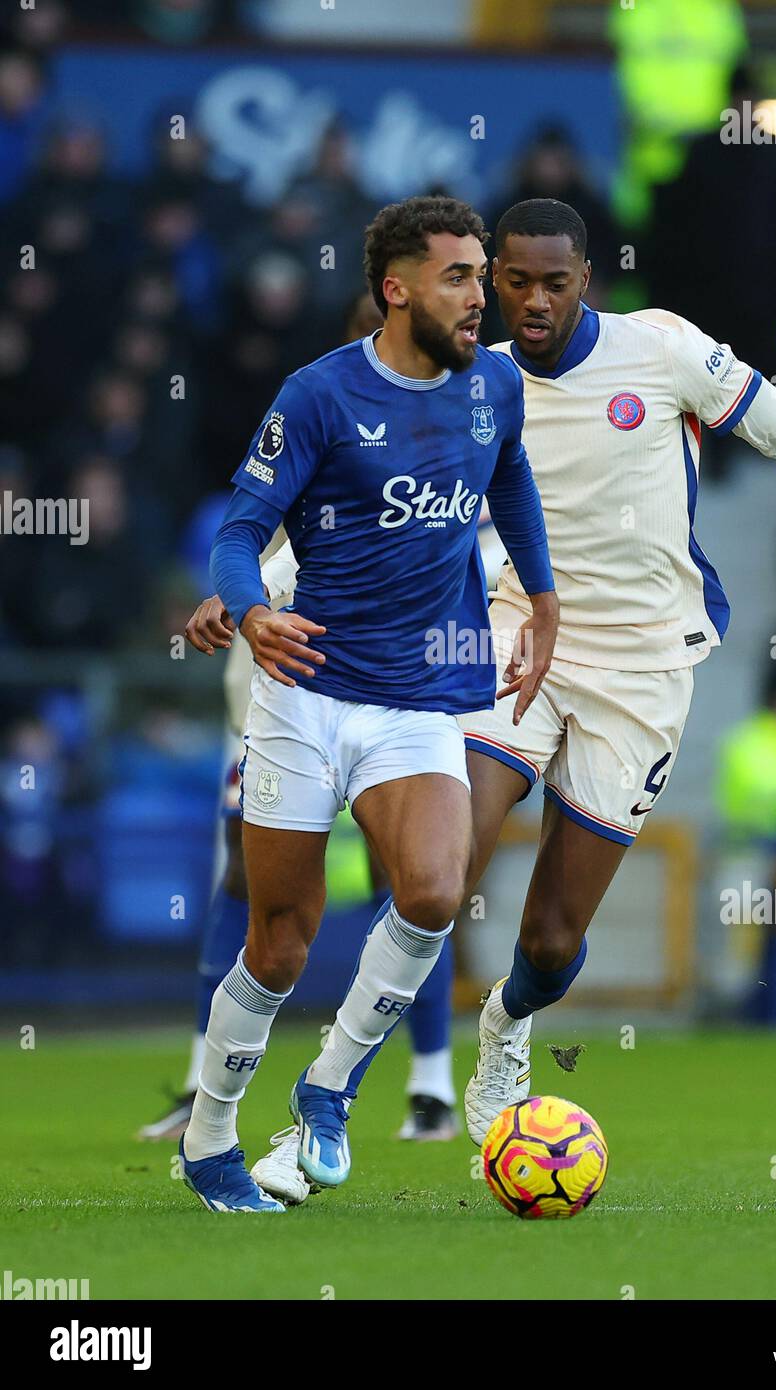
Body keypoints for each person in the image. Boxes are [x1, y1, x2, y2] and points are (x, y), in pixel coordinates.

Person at [450, 199, 776, 1143]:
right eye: (515, 282)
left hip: (647, 664)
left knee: (553, 938)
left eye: (554, 283)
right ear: (492, 279)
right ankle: (326, 1100)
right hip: (520, 634)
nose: (532, 300)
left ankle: (508, 1023)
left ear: (589, 281)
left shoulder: (661, 352)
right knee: (442, 870)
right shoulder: (473, 376)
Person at [178, 194, 557, 1212]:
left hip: (419, 698)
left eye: (483, 274)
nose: (483, 295)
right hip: (303, 696)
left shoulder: (494, 392)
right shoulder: (316, 396)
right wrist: (253, 610)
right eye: (459, 277)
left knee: (433, 889)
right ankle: (211, 1132)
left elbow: (510, 483)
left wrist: (546, 597)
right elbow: (238, 529)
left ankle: (329, 1083)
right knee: (280, 943)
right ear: (396, 289)